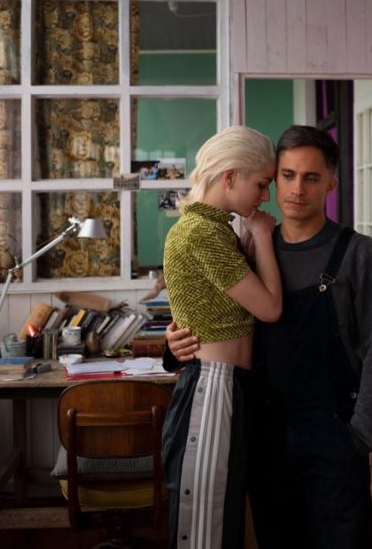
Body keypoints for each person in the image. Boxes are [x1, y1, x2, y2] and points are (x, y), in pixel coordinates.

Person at [166, 125, 372, 549]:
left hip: (334, 436)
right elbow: (216, 316)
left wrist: (361, 436)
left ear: (332, 182)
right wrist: (175, 344)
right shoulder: (248, 248)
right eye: (286, 176)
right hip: (263, 432)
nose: (296, 189)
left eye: (311, 178)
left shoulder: (360, 254)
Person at [160, 126, 283, 549]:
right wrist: (264, 235)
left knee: (220, 516)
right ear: (230, 177)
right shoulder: (200, 232)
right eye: (261, 183)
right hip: (213, 386)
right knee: (205, 526)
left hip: (228, 385)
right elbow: (269, 308)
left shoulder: (215, 230)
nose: (264, 196)